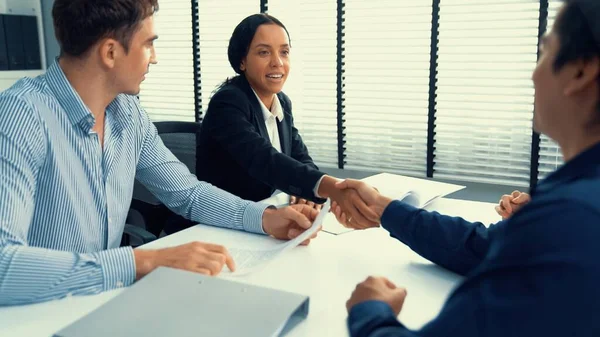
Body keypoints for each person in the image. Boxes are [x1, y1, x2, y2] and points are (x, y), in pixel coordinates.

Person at [0, 0, 321, 306]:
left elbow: (188, 193)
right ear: (110, 52)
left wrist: (266, 219)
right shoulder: (21, 116)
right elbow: (3, 265)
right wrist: (146, 260)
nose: (153, 58)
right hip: (32, 313)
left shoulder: (127, 113)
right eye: (148, 44)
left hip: (101, 301)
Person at [335, 0, 600, 335]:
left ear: (581, 71)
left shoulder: (571, 218)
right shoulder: (573, 202)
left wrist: (368, 311)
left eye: (544, 53)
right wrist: (383, 208)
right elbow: (482, 246)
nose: (533, 74)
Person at [196, 14, 378, 227]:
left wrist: (309, 193)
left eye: (284, 52)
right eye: (264, 52)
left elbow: (301, 157)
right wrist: (332, 188)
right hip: (224, 222)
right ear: (242, 61)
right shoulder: (228, 102)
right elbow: (264, 159)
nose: (277, 62)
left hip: (267, 216)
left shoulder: (281, 101)